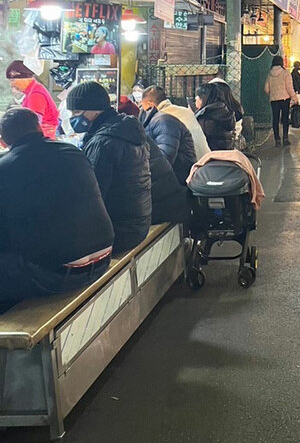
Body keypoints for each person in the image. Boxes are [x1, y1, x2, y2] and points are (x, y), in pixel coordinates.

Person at [0, 107, 114, 307]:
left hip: (59, 275)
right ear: (39, 128)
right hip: (104, 256)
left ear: (3, 141)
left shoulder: (6, 168)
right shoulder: (73, 152)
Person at [67, 81, 152, 253]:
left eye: (76, 112)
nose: (72, 117)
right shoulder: (125, 128)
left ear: (94, 110)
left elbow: (92, 196)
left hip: (120, 231)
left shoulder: (104, 142)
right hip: (137, 223)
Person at [140, 87, 198, 184]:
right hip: (199, 168)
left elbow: (164, 160)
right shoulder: (183, 111)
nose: (141, 109)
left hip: (184, 178)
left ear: (149, 105)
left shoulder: (164, 119)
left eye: (141, 105)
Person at [140, 85, 209, 161]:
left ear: (150, 104)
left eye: (143, 106)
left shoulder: (163, 118)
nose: (143, 111)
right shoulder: (186, 111)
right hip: (205, 160)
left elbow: (165, 156)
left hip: (191, 166)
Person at [5, 61, 59, 139]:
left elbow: (33, 125)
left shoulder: (35, 94)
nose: (12, 85)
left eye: (13, 80)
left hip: (42, 140)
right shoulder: (32, 91)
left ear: (25, 78)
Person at [264, 56, 298, 147]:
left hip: (274, 99)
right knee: (285, 119)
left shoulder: (270, 74)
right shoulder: (286, 73)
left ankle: (277, 140)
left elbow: (266, 89)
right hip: (284, 99)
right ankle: (285, 138)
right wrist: (294, 97)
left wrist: (273, 94)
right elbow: (289, 88)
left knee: (275, 119)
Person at [194, 82, 238, 152]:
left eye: (198, 96)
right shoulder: (225, 112)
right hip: (227, 154)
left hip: (209, 156)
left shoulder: (205, 117)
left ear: (204, 98)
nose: (196, 98)